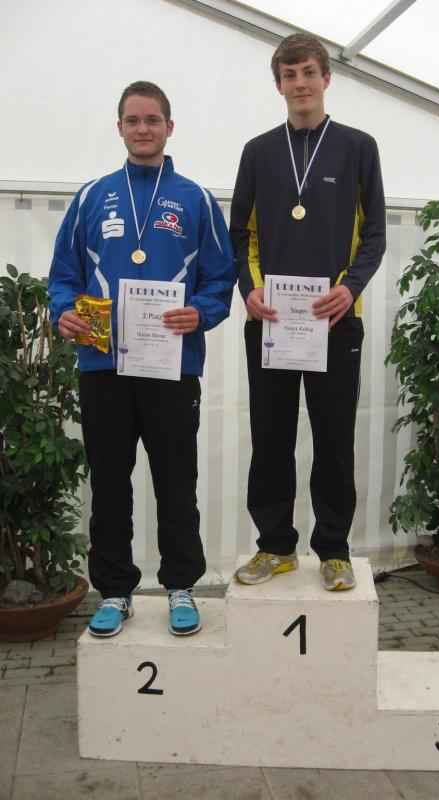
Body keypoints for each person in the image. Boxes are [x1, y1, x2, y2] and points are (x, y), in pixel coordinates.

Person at [49, 81, 235, 636]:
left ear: (169, 127)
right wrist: (63, 312)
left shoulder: (196, 199)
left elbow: (220, 279)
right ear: (120, 127)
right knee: (110, 484)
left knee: (176, 481)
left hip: (171, 367)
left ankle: (181, 586)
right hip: (102, 364)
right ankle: (114, 591)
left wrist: (200, 312)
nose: (143, 129)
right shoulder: (92, 196)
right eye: (133, 120)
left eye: (153, 120)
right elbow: (64, 275)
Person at [230, 34, 386, 590]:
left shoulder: (358, 147)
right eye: (289, 74)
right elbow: (239, 233)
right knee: (271, 437)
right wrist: (249, 289)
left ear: (327, 78)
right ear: (278, 85)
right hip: (270, 321)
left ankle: (334, 550)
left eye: (309, 72)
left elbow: (374, 234)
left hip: (336, 319)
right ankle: (275, 546)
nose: (300, 83)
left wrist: (351, 287)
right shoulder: (257, 151)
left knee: (334, 438)